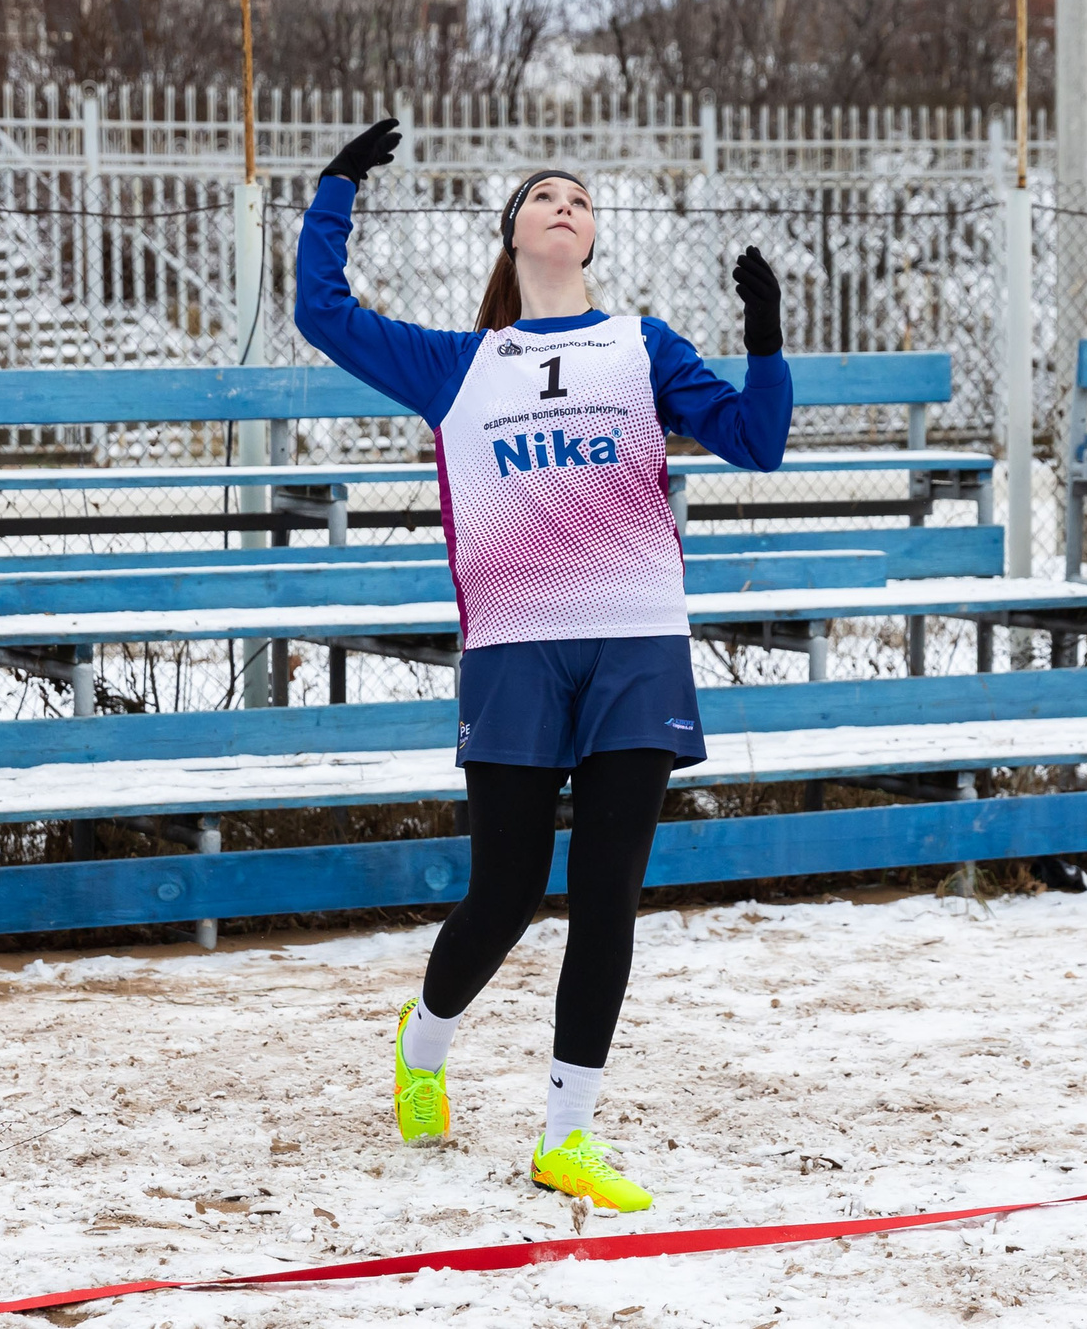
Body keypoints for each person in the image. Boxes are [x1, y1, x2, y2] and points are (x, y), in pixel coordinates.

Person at [294, 117, 791, 1213]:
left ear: (594, 237)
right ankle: (424, 1046)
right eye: (542, 195)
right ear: (513, 232)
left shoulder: (643, 347)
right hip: (517, 649)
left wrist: (764, 334)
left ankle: (567, 1135)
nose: (563, 203)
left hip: (634, 642)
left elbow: (759, 441)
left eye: (579, 196)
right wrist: (337, 190)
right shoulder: (459, 363)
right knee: (508, 893)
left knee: (606, 892)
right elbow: (319, 313)